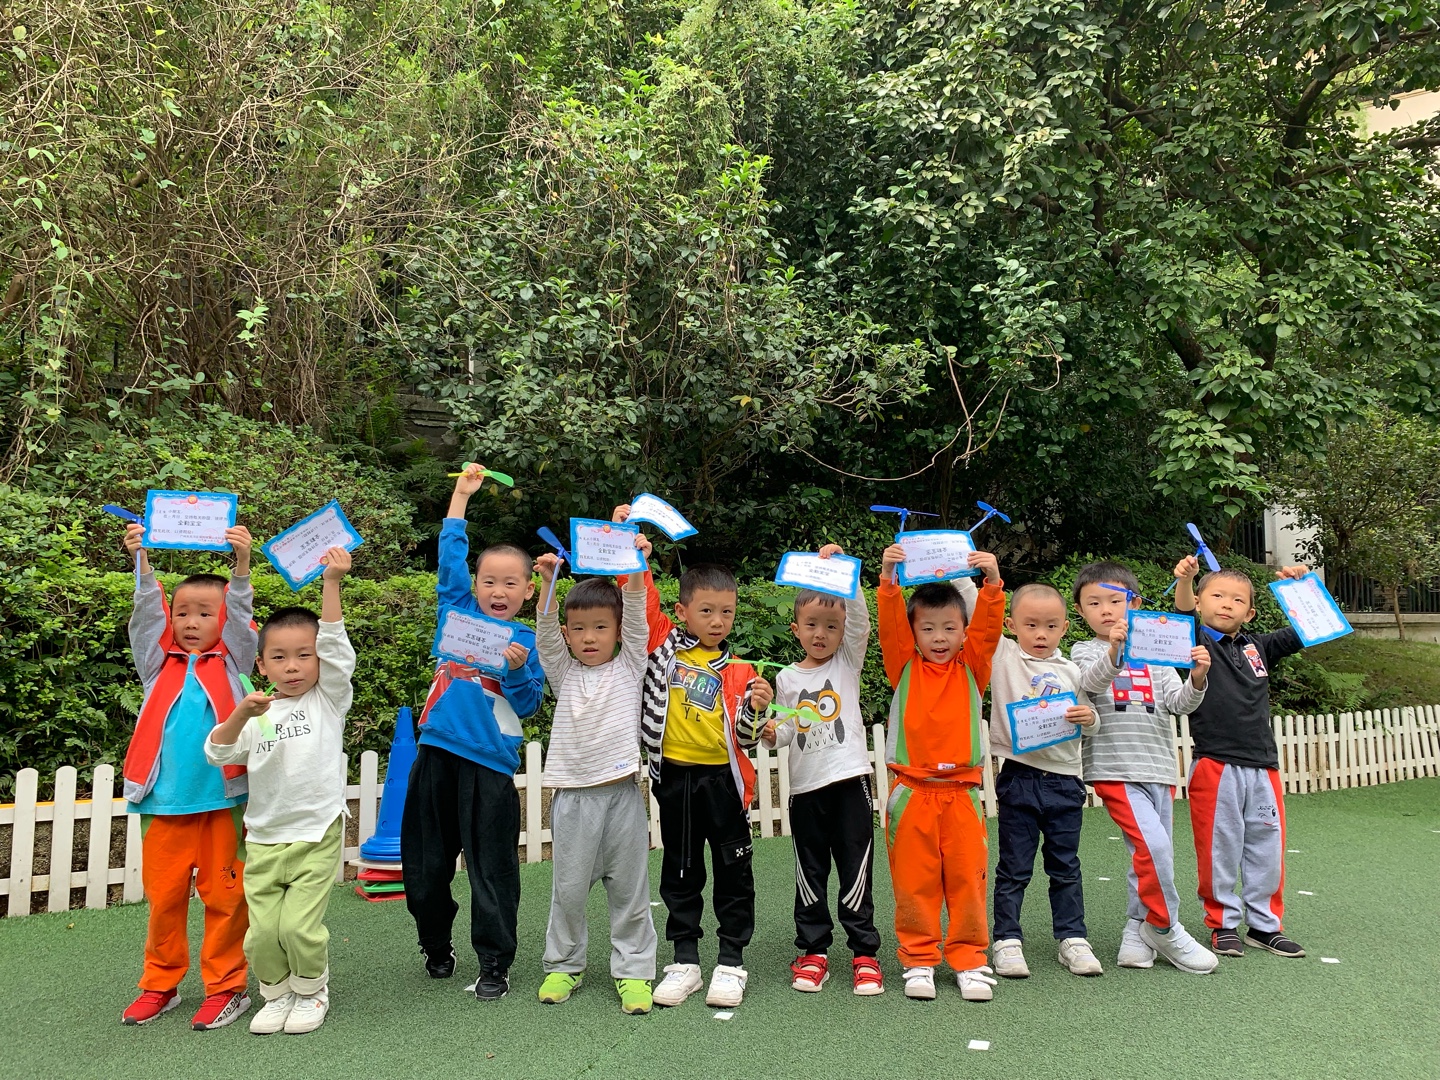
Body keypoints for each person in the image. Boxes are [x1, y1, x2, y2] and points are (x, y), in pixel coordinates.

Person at [619, 504, 774, 1009]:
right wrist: (631, 547)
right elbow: (640, 603)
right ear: (683, 611)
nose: (717, 620)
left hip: (724, 782)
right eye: (706, 611)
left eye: (726, 612)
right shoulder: (663, 645)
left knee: (734, 873)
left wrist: (757, 708)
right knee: (680, 871)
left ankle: (731, 962)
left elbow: (746, 739)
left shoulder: (741, 669)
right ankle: (684, 961)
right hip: (675, 778)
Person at [402, 465, 545, 1000]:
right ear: (474, 585)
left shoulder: (528, 639)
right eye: (489, 581)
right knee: (424, 868)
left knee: (493, 871)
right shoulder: (454, 611)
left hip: (490, 767)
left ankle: (493, 963)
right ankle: (435, 944)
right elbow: (449, 559)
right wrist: (461, 498)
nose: (498, 590)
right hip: (435, 756)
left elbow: (530, 705)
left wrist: (515, 671)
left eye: (510, 583)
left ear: (527, 590)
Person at [206, 546, 355, 1034]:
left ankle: (311, 991)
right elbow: (218, 753)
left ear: (319, 660)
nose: (293, 666)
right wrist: (239, 714)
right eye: (279, 657)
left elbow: (336, 647)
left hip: (315, 831)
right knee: (262, 934)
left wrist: (331, 583)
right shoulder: (256, 713)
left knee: (298, 927)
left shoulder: (329, 699)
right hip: (265, 837)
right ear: (261, 664)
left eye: (304, 655)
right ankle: (276, 993)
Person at [119, 521, 258, 1031]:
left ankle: (227, 987)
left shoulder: (235, 660)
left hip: (224, 801)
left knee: (227, 899)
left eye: (205, 612)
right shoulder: (157, 664)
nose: (191, 622)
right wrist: (142, 562)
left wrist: (241, 566)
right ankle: (160, 984)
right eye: (182, 612)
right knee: (165, 899)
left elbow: (242, 616)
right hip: (161, 802)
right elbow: (145, 616)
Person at [1069, 561, 1218, 974]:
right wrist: (1116, 649)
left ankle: (1136, 932)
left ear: (1134, 604)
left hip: (1159, 767)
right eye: (1094, 603)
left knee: (1150, 854)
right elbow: (1092, 682)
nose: (1105, 610)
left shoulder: (1157, 651)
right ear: (1080, 611)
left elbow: (1178, 704)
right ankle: (1165, 926)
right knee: (1154, 848)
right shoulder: (1084, 650)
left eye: (1115, 601)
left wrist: (1198, 677)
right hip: (1114, 766)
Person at [532, 536, 659, 1016]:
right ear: (568, 633)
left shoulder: (631, 665)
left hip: (623, 794)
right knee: (568, 891)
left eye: (601, 627)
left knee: (630, 891)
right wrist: (549, 585)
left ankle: (635, 970)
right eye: (580, 629)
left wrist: (636, 566)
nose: (589, 637)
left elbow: (638, 614)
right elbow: (546, 638)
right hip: (572, 799)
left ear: (618, 631)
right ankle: (564, 964)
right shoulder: (564, 673)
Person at [876, 544, 1004, 1002]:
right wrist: (888, 578)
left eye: (950, 628)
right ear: (913, 633)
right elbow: (890, 624)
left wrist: (992, 584)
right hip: (912, 792)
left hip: (962, 794)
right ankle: (918, 959)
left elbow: (988, 630)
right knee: (915, 882)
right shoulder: (903, 665)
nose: (939, 637)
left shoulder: (973, 666)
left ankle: (969, 958)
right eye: (927, 628)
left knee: (968, 880)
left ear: (964, 631)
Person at [761, 544, 884, 997]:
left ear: (843, 631)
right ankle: (813, 952)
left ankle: (864, 954)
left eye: (832, 626)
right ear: (796, 628)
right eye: (812, 624)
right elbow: (786, 732)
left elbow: (862, 620)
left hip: (851, 784)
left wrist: (845, 572)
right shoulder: (786, 679)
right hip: (805, 792)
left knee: (856, 871)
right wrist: (770, 733)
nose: (821, 633)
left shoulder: (847, 663)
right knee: (809, 873)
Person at [1175, 556, 1310, 959]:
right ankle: (1223, 923)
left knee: (1267, 847)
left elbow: (1310, 628)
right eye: (1217, 595)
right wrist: (1186, 580)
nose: (1227, 603)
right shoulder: (1192, 640)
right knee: (1219, 848)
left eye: (1237, 599)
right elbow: (1180, 613)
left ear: (1250, 612)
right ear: (1199, 603)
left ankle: (1265, 926)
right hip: (1215, 764)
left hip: (1264, 765)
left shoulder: (1260, 646)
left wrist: (1301, 589)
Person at [986, 582, 1102, 980]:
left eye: (1051, 626)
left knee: (1065, 866)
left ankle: (1073, 938)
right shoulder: (1003, 656)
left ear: (1065, 628)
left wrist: (1090, 718)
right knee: (1013, 868)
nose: (1041, 634)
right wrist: (987, 575)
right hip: (1018, 775)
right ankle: (1007, 940)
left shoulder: (1073, 671)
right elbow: (973, 604)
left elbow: (1091, 719)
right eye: (1031, 624)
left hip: (1065, 780)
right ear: (1010, 625)